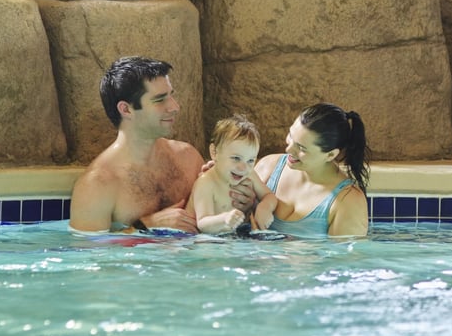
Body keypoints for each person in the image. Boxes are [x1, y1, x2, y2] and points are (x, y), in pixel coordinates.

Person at [68, 56, 253, 234]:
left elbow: (216, 225)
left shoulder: (188, 158)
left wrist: (242, 203)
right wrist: (145, 225)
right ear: (126, 109)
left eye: (171, 96)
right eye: (159, 100)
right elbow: (90, 255)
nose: (175, 107)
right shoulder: (98, 185)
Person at [254, 103, 370, 237]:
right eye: (291, 136)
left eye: (302, 148)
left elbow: (344, 257)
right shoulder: (268, 167)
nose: (288, 149)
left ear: (330, 155)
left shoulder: (348, 201)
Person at [187, 114, 278, 234]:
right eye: (236, 158)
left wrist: (264, 207)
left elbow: (269, 196)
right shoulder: (206, 183)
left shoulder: (249, 173)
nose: (243, 167)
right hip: (204, 239)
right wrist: (224, 219)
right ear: (214, 152)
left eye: (250, 160)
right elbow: (202, 223)